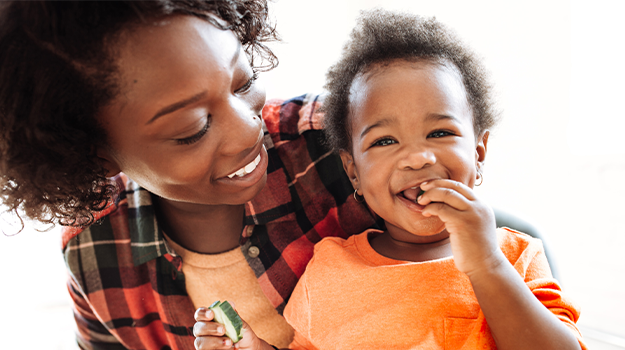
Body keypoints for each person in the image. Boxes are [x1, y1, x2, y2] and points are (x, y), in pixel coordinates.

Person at [193, 9, 587, 350]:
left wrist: (487, 265)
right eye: (384, 140)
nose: (417, 157)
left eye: (440, 133)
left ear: (479, 155)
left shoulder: (515, 256)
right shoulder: (329, 267)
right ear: (354, 173)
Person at [0, 1, 378, 349]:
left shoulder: (350, 146)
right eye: (193, 129)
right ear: (93, 156)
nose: (248, 128)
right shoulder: (93, 252)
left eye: (243, 82)